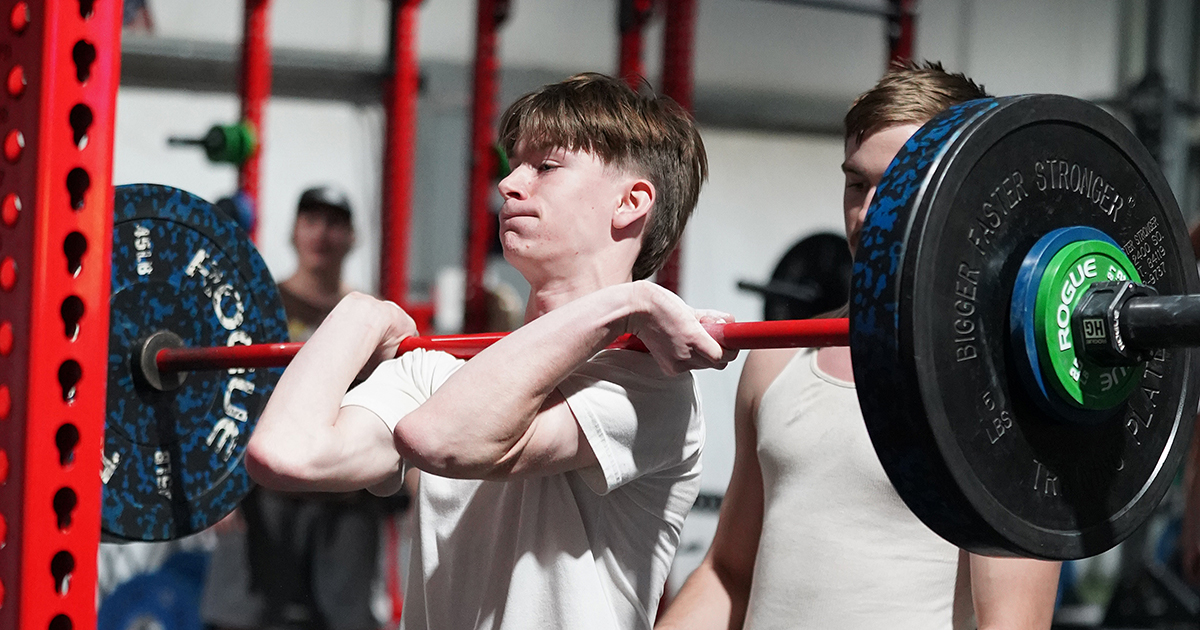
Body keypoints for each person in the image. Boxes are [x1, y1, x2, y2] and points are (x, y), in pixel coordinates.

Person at [245, 73, 737, 630]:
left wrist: (629, 302)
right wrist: (360, 313)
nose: (508, 183)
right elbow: (285, 453)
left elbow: (443, 440)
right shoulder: (437, 368)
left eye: (545, 167)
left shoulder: (644, 384)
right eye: (514, 164)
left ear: (631, 201)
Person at [656, 61, 1062, 630]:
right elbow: (728, 573)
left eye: (896, 186)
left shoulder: (1006, 383)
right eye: (857, 184)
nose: (869, 213)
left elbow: (1012, 625)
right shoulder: (780, 358)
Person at [202, 186, 400, 630]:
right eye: (310, 221)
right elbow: (224, 397)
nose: (321, 235)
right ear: (293, 232)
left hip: (344, 502)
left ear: (351, 237)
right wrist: (219, 491)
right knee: (241, 620)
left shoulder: (369, 318)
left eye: (333, 224)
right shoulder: (258, 306)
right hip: (263, 498)